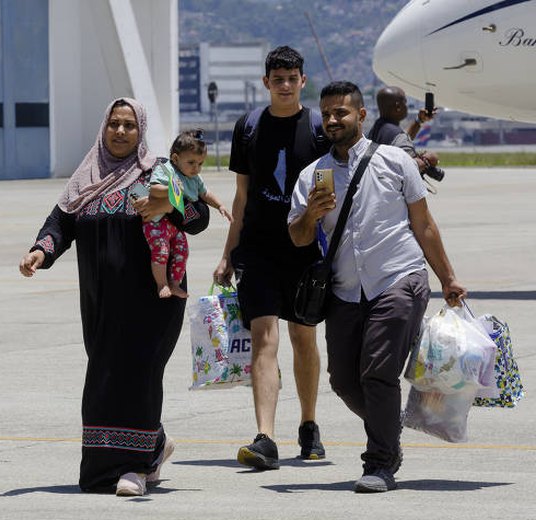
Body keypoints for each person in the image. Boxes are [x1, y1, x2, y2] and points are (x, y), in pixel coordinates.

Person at [18, 98, 209, 496]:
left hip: (153, 301)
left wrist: (169, 204)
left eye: (129, 126)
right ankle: (145, 449)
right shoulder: (85, 178)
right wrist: (41, 250)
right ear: (104, 128)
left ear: (141, 132)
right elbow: (59, 224)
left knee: (138, 375)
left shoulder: (157, 172)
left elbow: (197, 220)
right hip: (102, 302)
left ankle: (135, 469)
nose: (120, 132)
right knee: (105, 380)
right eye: (114, 124)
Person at [288, 81, 466, 493]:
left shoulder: (394, 161)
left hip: (398, 278)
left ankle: (380, 462)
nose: (333, 120)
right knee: (344, 381)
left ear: (361, 115)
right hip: (345, 289)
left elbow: (423, 224)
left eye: (342, 113)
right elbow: (296, 237)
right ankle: (389, 433)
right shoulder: (313, 175)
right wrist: (311, 216)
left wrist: (448, 277)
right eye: (327, 113)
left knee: (378, 372)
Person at [213, 45, 331, 470]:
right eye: (277, 79)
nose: (284, 85)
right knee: (264, 337)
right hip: (259, 251)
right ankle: (265, 436)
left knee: (304, 338)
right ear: (266, 83)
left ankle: (309, 423)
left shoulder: (318, 128)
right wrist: (227, 254)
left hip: (304, 252)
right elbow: (241, 198)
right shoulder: (248, 127)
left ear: (302, 81)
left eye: (292, 78)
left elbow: (328, 196)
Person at [142, 129, 232, 298]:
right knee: (161, 250)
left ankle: (175, 283)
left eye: (200, 163)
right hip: (158, 221)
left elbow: (205, 193)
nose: (196, 168)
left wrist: (220, 205)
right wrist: (171, 189)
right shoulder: (167, 170)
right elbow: (154, 189)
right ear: (176, 159)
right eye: (191, 163)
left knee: (182, 251)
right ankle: (162, 284)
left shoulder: (194, 178)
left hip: (176, 224)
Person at [368, 86, 441, 182]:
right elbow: (411, 167)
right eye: (405, 103)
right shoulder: (397, 136)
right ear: (398, 107)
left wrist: (419, 121)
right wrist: (426, 160)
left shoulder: (378, 128)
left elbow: (401, 140)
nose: (407, 106)